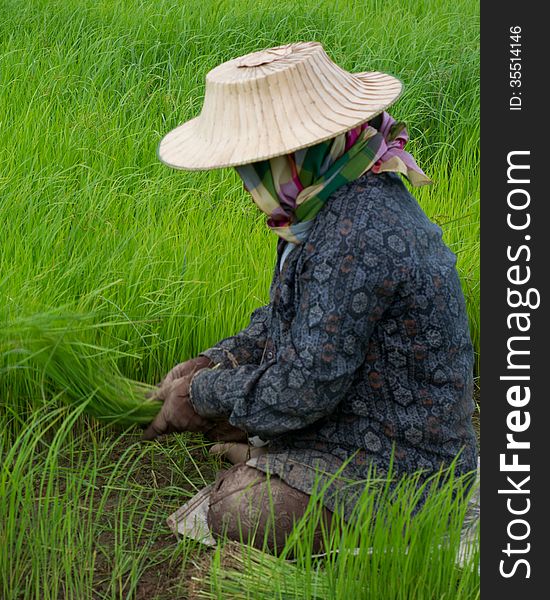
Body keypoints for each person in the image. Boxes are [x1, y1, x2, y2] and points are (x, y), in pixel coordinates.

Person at [143, 42, 478, 554]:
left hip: (403, 461)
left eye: (256, 163)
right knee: (248, 435)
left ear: (295, 154)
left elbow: (305, 387)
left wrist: (202, 396)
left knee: (238, 508)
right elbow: (283, 319)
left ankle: (294, 478)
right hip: (356, 416)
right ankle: (276, 461)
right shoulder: (323, 203)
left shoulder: (356, 232)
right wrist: (212, 361)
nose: (246, 179)